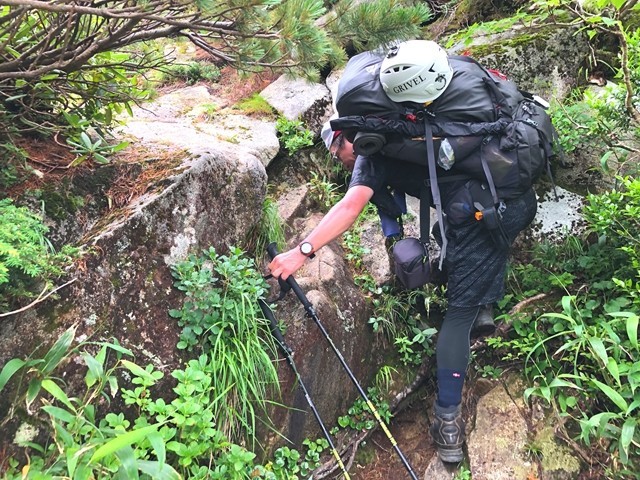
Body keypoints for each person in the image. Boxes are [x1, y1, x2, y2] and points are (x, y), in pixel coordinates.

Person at [268, 40, 538, 463]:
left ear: (345, 137)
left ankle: (446, 421)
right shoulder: (413, 127)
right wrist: (397, 247)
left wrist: (302, 251)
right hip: (510, 189)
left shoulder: (373, 153)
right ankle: (484, 305)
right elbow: (389, 211)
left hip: (482, 210)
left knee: (458, 314)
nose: (339, 160)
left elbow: (350, 205)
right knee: (480, 249)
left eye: (336, 150)